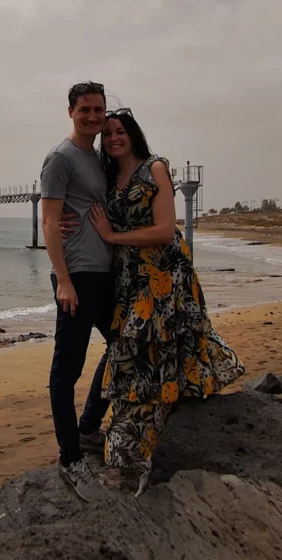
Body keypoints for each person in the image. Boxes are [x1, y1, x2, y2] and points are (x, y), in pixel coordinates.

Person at [88, 108, 245, 496]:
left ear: (133, 134)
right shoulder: (109, 177)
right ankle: (134, 419)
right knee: (135, 346)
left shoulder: (154, 168)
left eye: (119, 131)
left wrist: (111, 238)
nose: (113, 139)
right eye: (107, 134)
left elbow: (163, 229)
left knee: (149, 344)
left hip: (163, 271)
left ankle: (137, 435)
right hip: (131, 276)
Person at [40, 81, 116, 502]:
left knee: (122, 346)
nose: (92, 116)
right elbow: (50, 222)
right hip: (76, 276)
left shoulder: (99, 159)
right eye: (84, 109)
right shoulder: (60, 158)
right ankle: (70, 458)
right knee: (65, 370)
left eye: (98, 110)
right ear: (70, 112)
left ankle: (89, 427)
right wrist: (63, 279)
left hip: (103, 273)